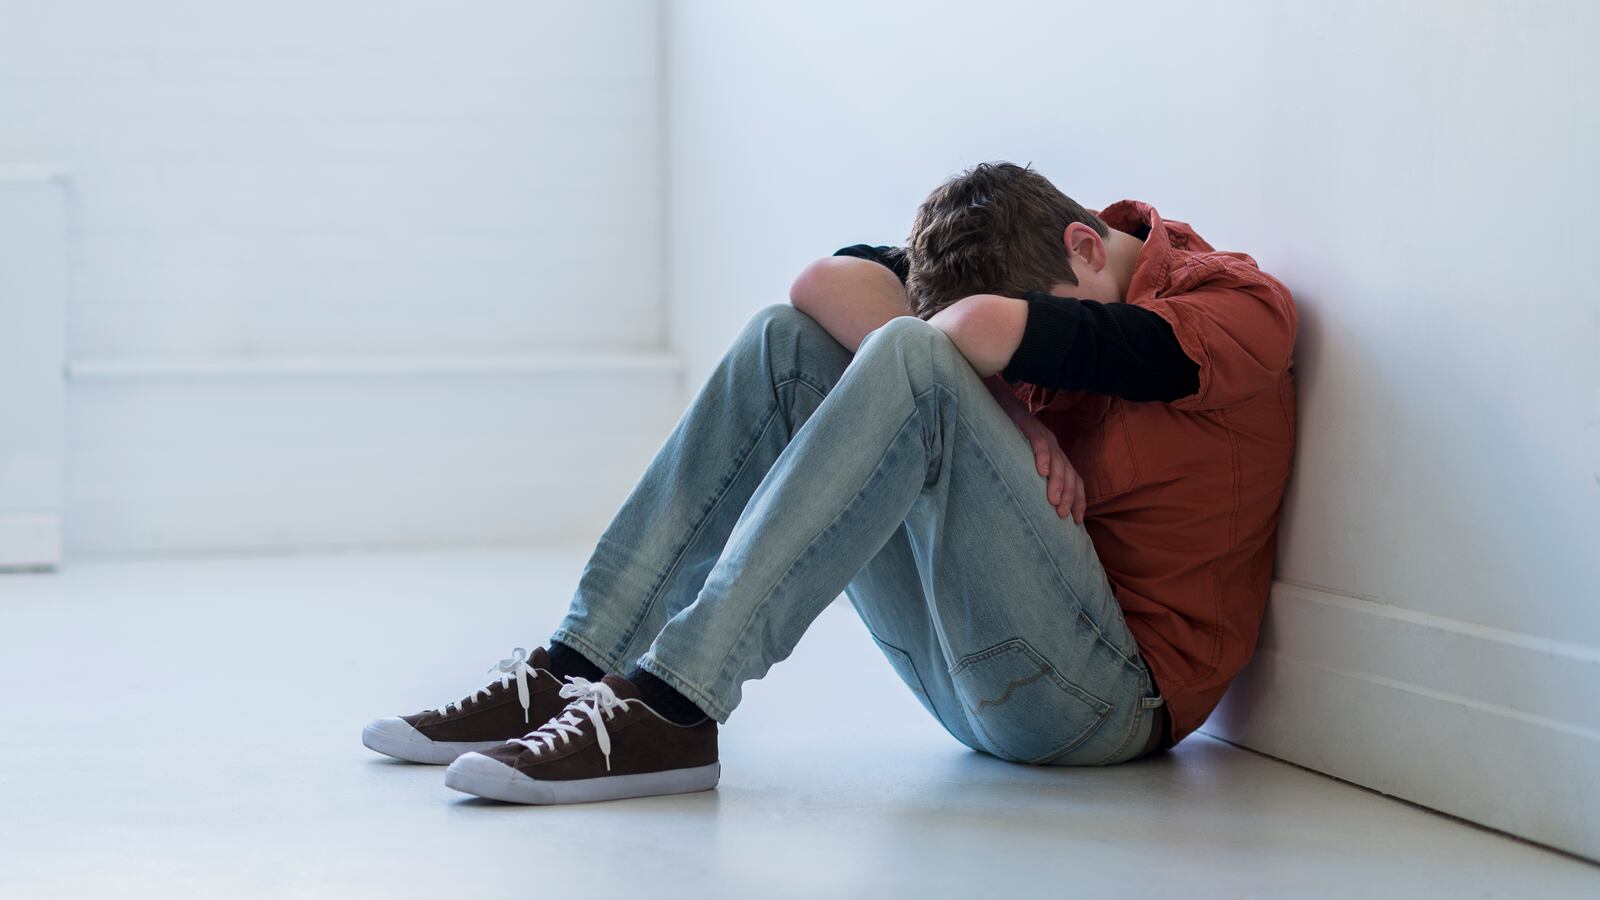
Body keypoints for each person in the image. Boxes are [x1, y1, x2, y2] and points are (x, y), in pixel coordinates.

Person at [361, 161, 1298, 806]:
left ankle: (678, 705)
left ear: (1087, 248)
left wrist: (969, 362)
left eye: (1031, 326)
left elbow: (1057, 344)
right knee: (790, 343)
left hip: (1103, 703)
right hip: (972, 664)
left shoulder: (1237, 307)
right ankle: (572, 669)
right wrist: (1014, 417)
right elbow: (827, 280)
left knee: (908, 354)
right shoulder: (1039, 268)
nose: (1030, 385)